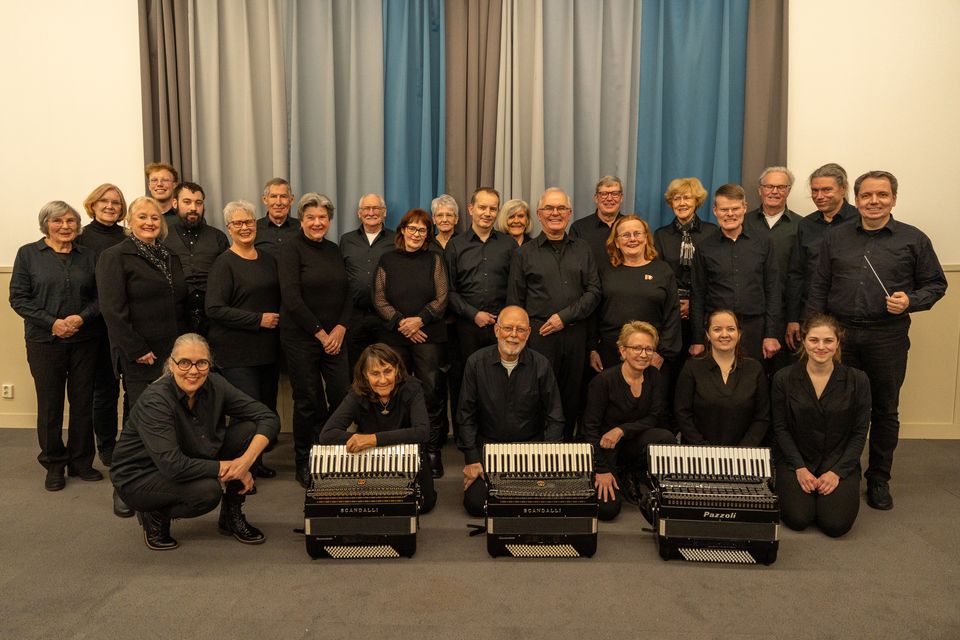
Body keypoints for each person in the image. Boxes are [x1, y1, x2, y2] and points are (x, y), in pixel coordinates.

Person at [806, 170, 947, 511]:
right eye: (867, 195)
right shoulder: (836, 237)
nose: (874, 201)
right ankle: (841, 472)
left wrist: (910, 301)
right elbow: (819, 286)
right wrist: (814, 328)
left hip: (887, 335)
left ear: (893, 199)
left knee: (885, 409)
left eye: (882, 195)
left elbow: (936, 285)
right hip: (840, 336)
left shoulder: (914, 239)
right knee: (838, 407)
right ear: (856, 199)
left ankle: (879, 478)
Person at [110, 333, 279, 550]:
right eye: (184, 362)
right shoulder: (156, 400)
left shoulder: (215, 384)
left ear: (209, 364)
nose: (193, 371)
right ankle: (154, 513)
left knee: (250, 430)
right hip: (141, 475)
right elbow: (172, 465)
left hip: (186, 456)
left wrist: (245, 462)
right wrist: (230, 468)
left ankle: (231, 515)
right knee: (207, 492)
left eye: (201, 363)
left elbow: (267, 417)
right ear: (171, 364)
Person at [10, 201, 102, 491]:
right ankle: (54, 464)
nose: (65, 226)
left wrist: (81, 318)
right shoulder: (28, 254)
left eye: (71, 221)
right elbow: (19, 298)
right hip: (44, 342)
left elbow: (101, 297)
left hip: (84, 340)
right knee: (50, 406)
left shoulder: (89, 256)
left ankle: (81, 462)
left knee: (83, 403)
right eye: (57, 221)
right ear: (45, 224)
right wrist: (52, 323)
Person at [507, 187, 600, 440]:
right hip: (538, 338)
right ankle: (537, 452)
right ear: (539, 214)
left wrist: (564, 317)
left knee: (571, 398)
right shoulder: (523, 253)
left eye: (561, 208)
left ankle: (565, 451)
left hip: (576, 335)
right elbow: (515, 302)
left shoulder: (583, 249)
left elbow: (594, 292)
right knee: (536, 396)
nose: (555, 213)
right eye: (549, 208)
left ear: (569, 214)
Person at [456, 306, 564, 517]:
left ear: (528, 333)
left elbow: (555, 416)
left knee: (546, 500)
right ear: (497, 330)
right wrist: (471, 458)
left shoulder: (541, 364)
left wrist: (549, 458)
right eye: (508, 328)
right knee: (476, 504)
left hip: (530, 448)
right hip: (489, 448)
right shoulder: (475, 363)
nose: (513, 335)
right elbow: (465, 415)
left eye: (520, 329)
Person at [772, 314, 870, 537]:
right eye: (814, 340)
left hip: (838, 461)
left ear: (838, 342)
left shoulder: (858, 380)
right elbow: (780, 428)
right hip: (796, 461)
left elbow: (859, 432)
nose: (821, 347)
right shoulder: (783, 378)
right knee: (798, 519)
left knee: (835, 525)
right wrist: (799, 468)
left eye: (828, 341)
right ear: (804, 340)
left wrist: (837, 472)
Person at [279, 193, 352, 488]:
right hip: (302, 337)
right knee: (308, 399)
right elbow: (291, 298)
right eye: (310, 217)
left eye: (322, 217)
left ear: (330, 220)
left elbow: (347, 293)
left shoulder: (334, 250)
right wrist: (321, 333)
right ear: (301, 220)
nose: (317, 222)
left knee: (342, 394)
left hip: (335, 337)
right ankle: (305, 459)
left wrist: (341, 328)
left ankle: (330, 450)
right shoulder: (290, 249)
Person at [206, 200, 281, 479]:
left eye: (248, 221)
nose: (244, 227)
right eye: (237, 223)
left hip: (268, 350)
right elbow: (214, 308)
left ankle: (255, 462)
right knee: (246, 412)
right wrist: (257, 319)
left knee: (265, 409)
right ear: (229, 228)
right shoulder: (223, 263)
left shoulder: (268, 260)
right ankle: (238, 469)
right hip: (236, 352)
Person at [373, 208, 449, 478]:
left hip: (429, 336)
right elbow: (379, 298)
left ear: (428, 235)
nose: (417, 234)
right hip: (395, 337)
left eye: (423, 230)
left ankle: (432, 451)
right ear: (403, 230)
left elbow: (442, 297)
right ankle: (399, 449)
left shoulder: (435, 259)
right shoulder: (387, 259)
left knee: (431, 393)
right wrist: (402, 323)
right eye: (412, 228)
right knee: (395, 391)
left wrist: (420, 321)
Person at [320, 343, 437, 513]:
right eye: (375, 373)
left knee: (423, 503)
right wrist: (360, 440)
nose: (382, 380)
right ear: (365, 375)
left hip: (407, 456)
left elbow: (422, 432)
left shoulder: (412, 387)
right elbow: (327, 435)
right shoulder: (357, 393)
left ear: (397, 369)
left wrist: (373, 439)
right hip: (370, 457)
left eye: (387, 371)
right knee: (368, 502)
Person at [97, 196, 189, 410]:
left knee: (173, 410)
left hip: (173, 350)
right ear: (129, 221)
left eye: (155, 218)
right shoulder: (114, 256)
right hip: (142, 353)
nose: (149, 222)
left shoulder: (170, 256)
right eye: (142, 217)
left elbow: (179, 302)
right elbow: (112, 310)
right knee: (144, 412)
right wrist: (136, 349)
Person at [582, 321, 676, 521]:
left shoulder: (654, 376)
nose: (643, 354)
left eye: (648, 349)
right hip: (604, 450)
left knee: (665, 437)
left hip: (632, 443)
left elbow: (654, 417)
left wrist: (622, 430)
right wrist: (601, 470)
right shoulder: (603, 382)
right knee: (608, 510)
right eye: (637, 348)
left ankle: (631, 472)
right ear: (623, 350)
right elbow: (589, 430)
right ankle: (616, 473)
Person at [689, 184, 781, 364]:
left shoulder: (764, 243)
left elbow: (773, 290)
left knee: (753, 376)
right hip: (717, 329)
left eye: (735, 209)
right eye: (724, 209)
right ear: (715, 211)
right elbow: (697, 295)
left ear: (744, 208)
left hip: (754, 328)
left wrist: (771, 334)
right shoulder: (704, 247)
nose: (730, 214)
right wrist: (698, 339)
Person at [76, 184, 128, 467]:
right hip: (95, 327)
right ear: (93, 204)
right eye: (104, 201)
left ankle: (130, 443)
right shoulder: (80, 238)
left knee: (132, 388)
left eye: (116, 202)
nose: (110, 206)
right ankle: (106, 446)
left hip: (126, 323)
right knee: (105, 390)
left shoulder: (129, 237)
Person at [589, 215, 681, 372]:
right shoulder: (605, 271)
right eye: (625, 235)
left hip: (650, 354)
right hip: (610, 353)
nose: (632, 239)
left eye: (637, 233)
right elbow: (594, 312)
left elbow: (673, 314)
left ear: (646, 238)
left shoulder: (663, 271)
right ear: (616, 242)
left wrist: (662, 353)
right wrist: (592, 349)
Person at [784, 163, 857, 350]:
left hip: (849, 315)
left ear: (843, 189)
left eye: (826, 190)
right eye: (815, 190)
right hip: (813, 312)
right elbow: (796, 274)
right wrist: (793, 318)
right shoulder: (806, 225)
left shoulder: (860, 220)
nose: (819, 196)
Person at [675, 310, 769, 446]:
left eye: (731, 329)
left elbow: (762, 417)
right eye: (717, 329)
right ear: (707, 334)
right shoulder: (692, 367)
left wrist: (743, 450)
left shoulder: (755, 369)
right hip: (699, 452)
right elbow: (682, 414)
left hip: (744, 453)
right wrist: (704, 449)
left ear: (739, 334)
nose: (724, 335)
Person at [653, 177, 718, 360]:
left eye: (687, 198)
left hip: (704, 310)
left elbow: (715, 274)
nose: (682, 203)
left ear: (697, 201)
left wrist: (693, 303)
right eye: (677, 199)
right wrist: (677, 302)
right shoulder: (661, 235)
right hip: (670, 311)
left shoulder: (712, 232)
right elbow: (659, 275)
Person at [164, 181, 230, 335]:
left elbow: (227, 276)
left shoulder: (218, 236)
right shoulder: (162, 236)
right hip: (175, 317)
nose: (193, 208)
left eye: (198, 203)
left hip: (214, 319)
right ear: (175, 203)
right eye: (187, 202)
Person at [341, 193, 396, 374]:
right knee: (355, 369)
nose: (371, 212)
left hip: (386, 317)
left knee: (385, 367)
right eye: (366, 208)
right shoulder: (347, 240)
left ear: (384, 212)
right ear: (359, 213)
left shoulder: (396, 239)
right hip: (355, 316)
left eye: (376, 208)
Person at [570, 175, 625, 264]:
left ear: (621, 198)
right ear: (596, 198)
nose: (609, 198)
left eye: (615, 194)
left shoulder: (632, 226)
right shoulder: (578, 228)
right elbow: (574, 263)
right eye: (604, 194)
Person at [254, 177, 298, 259]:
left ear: (291, 200)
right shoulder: (253, 229)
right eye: (273, 196)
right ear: (265, 199)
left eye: (283, 196)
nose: (278, 202)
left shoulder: (302, 228)